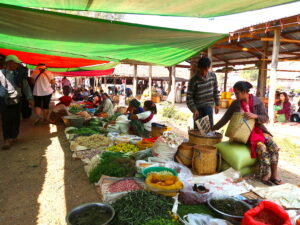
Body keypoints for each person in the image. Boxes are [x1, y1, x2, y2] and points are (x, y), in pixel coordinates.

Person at [212, 81, 282, 186]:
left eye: (237, 93)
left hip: (258, 130)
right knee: (262, 148)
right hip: (244, 134)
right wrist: (212, 128)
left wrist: (256, 116)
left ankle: (274, 176)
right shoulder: (235, 104)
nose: (235, 95)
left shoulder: (258, 102)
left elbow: (266, 118)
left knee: (274, 146)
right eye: (235, 93)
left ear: (245, 92)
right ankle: (265, 175)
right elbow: (225, 119)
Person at [0, 55, 33, 149]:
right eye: (16, 63)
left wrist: (29, 98)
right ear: (9, 62)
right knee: (6, 119)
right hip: (4, 99)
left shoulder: (19, 73)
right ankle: (7, 139)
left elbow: (25, 86)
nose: (17, 64)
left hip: (17, 99)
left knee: (15, 118)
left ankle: (14, 135)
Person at [187, 56, 220, 128]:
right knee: (198, 131)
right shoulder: (193, 80)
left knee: (209, 130)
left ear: (208, 68)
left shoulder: (213, 76)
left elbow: (215, 90)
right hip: (197, 109)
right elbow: (189, 97)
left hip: (208, 107)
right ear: (198, 68)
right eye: (202, 69)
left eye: (206, 69)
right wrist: (194, 110)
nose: (204, 72)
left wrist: (217, 104)